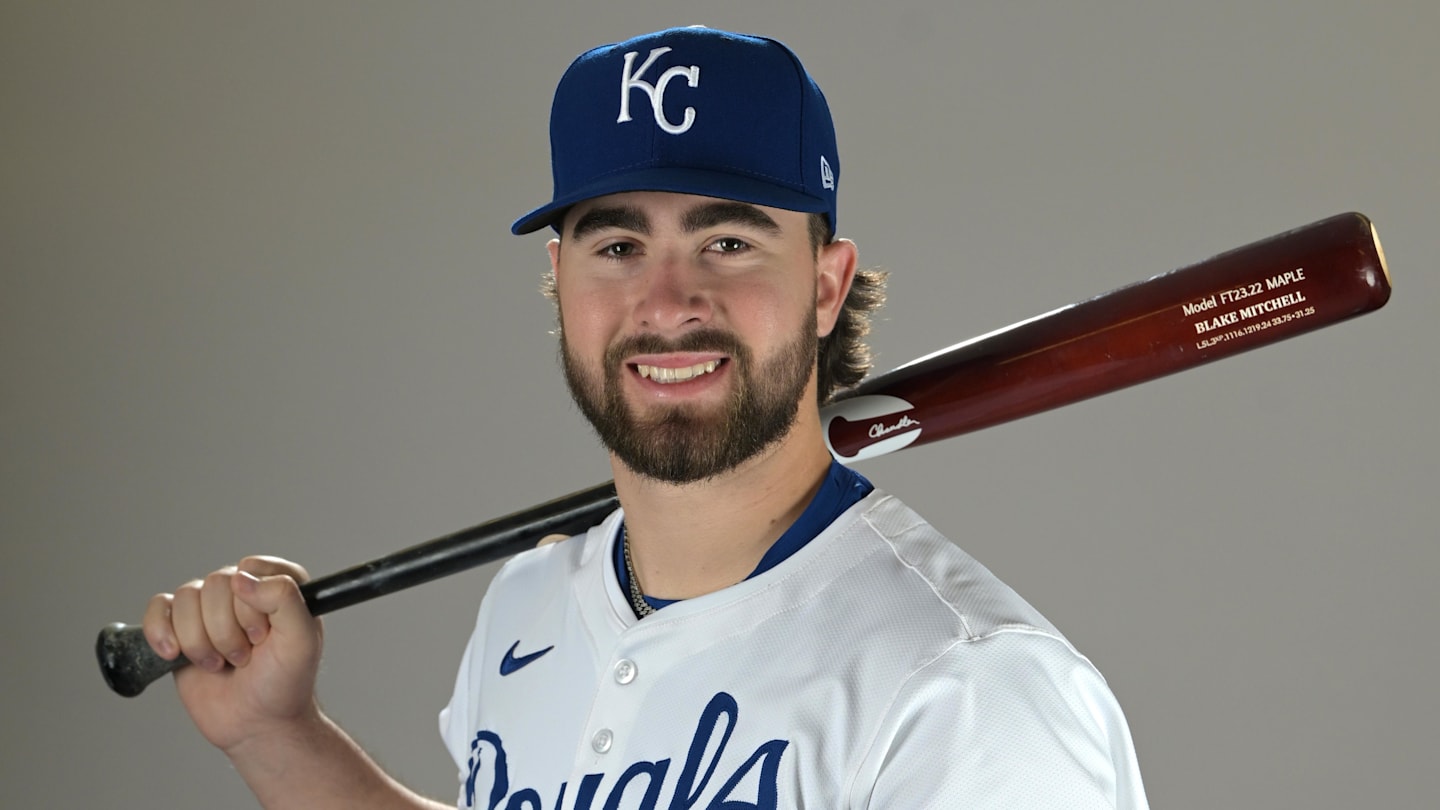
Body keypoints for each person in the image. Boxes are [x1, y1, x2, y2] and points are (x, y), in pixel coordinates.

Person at [143, 26, 1149, 809]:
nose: (667, 301)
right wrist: (276, 736)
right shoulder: (531, 604)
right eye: (617, 246)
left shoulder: (971, 691)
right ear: (558, 279)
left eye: (726, 241)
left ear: (826, 284)